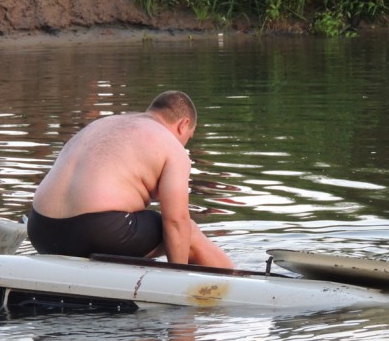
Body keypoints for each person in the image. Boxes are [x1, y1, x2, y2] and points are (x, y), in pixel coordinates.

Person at [28, 90, 234, 268]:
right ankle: (237, 279)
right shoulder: (170, 145)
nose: (184, 145)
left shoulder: (102, 124)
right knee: (188, 230)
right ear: (184, 125)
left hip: (41, 230)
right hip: (98, 231)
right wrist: (177, 277)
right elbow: (176, 221)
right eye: (188, 139)